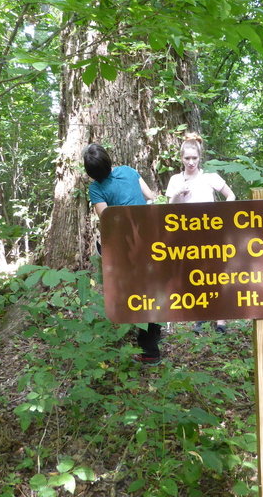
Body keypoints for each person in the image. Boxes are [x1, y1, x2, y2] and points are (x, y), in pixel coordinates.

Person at [83, 143, 162, 365]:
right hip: (150, 237)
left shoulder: (96, 188)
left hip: (129, 247)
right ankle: (154, 333)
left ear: (91, 172)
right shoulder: (128, 170)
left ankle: (150, 352)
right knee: (151, 289)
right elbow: (150, 196)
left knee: (140, 293)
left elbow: (107, 218)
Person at [165, 132, 235, 334]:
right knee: (196, 276)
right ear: (181, 158)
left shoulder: (210, 177)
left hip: (212, 233)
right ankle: (200, 317)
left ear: (199, 158)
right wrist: (179, 194)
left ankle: (220, 321)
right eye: (187, 158)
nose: (191, 162)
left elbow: (230, 195)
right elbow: (170, 209)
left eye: (194, 158)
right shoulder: (175, 180)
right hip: (188, 235)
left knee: (216, 274)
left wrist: (221, 213)